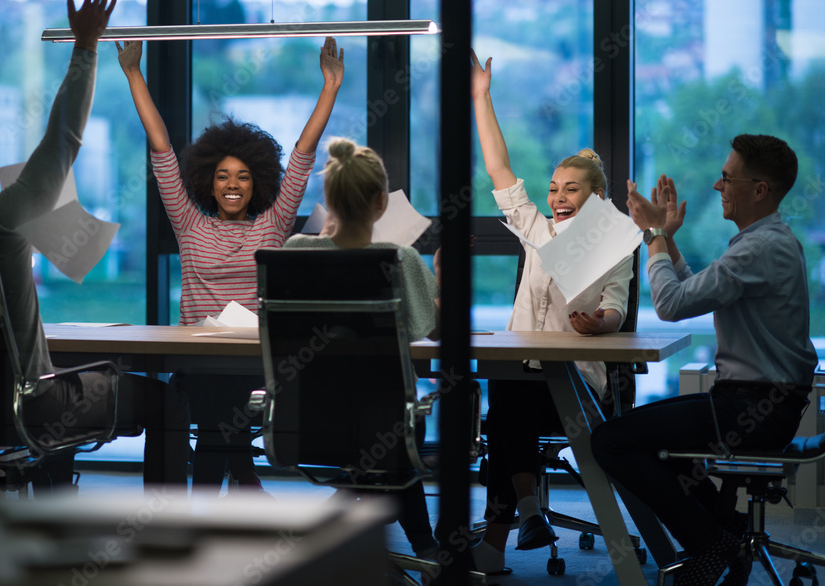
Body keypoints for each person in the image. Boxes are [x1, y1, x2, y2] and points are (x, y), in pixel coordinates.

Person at [0, 0, 190, 487]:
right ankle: (160, 537)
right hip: (31, 403)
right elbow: (63, 141)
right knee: (167, 400)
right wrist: (86, 47)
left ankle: (43, 513)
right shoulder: (0, 229)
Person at [117, 36, 344, 491]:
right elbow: (161, 148)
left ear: (257, 181)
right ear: (208, 181)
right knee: (216, 415)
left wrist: (330, 87)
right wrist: (133, 74)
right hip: (199, 361)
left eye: (242, 176)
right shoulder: (188, 223)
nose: (232, 184)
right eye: (222, 176)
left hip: (252, 364)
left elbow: (301, 155)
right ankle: (243, 479)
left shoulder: (274, 224)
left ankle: (225, 492)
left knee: (218, 426)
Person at [591, 134, 816, 586]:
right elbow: (697, 291)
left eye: (727, 178)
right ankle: (726, 532)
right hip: (756, 403)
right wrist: (667, 242)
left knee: (610, 441)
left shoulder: (759, 248)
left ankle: (710, 542)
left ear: (759, 190)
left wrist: (653, 235)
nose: (717, 186)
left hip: (753, 408)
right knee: (653, 442)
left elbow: (671, 305)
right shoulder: (764, 241)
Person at [467, 50, 634, 576]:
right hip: (525, 376)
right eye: (555, 189)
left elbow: (616, 308)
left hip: (576, 389)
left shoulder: (614, 243)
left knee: (505, 415)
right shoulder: (537, 232)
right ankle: (529, 509)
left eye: (572, 189)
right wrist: (481, 96)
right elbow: (498, 167)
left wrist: (598, 324)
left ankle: (506, 532)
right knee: (508, 400)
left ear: (597, 195)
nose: (558, 198)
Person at [284, 137, 440, 557]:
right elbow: (431, 326)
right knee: (392, 426)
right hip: (386, 423)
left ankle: (355, 501)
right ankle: (426, 549)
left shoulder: (295, 253)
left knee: (378, 428)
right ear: (380, 203)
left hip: (308, 419)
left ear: (327, 197)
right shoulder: (400, 258)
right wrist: (440, 281)